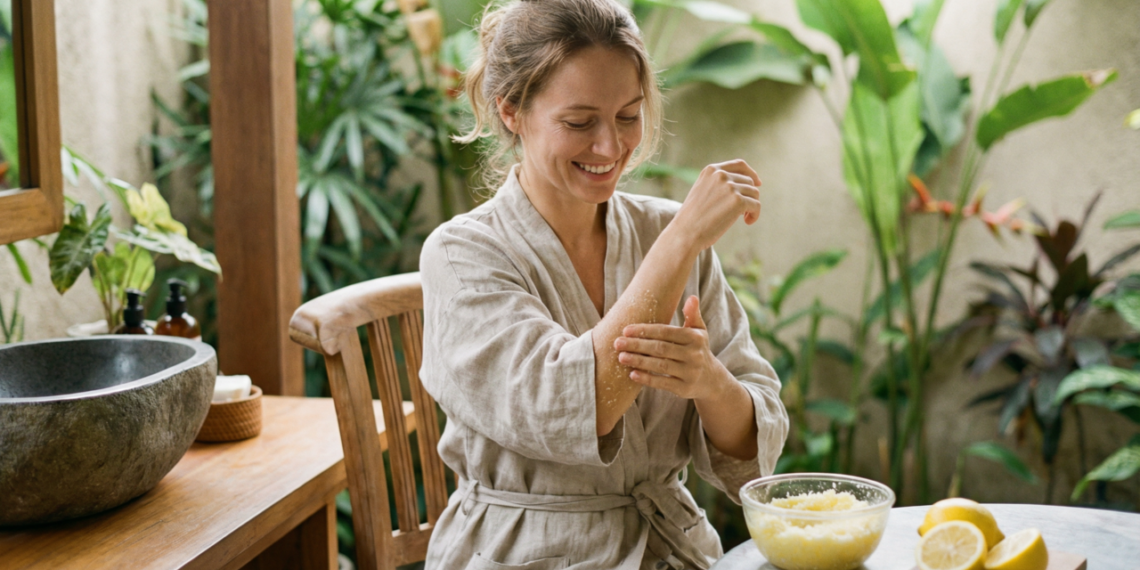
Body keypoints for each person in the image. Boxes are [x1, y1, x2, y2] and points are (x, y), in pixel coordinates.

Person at [418, 0, 788, 567]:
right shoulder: (462, 254)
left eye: (628, 116)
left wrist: (710, 382)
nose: (611, 148)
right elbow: (573, 406)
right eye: (578, 122)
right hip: (521, 553)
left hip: (672, 548)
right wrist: (682, 239)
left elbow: (751, 450)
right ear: (511, 111)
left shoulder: (664, 230)